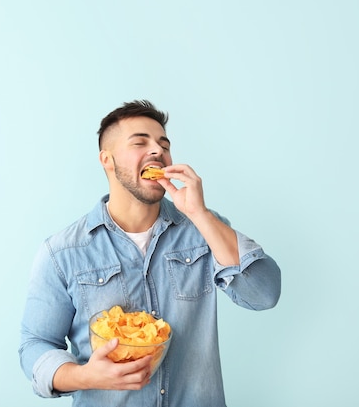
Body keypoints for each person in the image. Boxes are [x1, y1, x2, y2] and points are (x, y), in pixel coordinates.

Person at [19, 100, 281, 406]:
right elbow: (35, 344)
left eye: (163, 144)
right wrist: (85, 376)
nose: (157, 151)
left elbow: (264, 294)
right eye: (140, 142)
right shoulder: (62, 252)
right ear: (107, 159)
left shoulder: (204, 229)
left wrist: (200, 215)